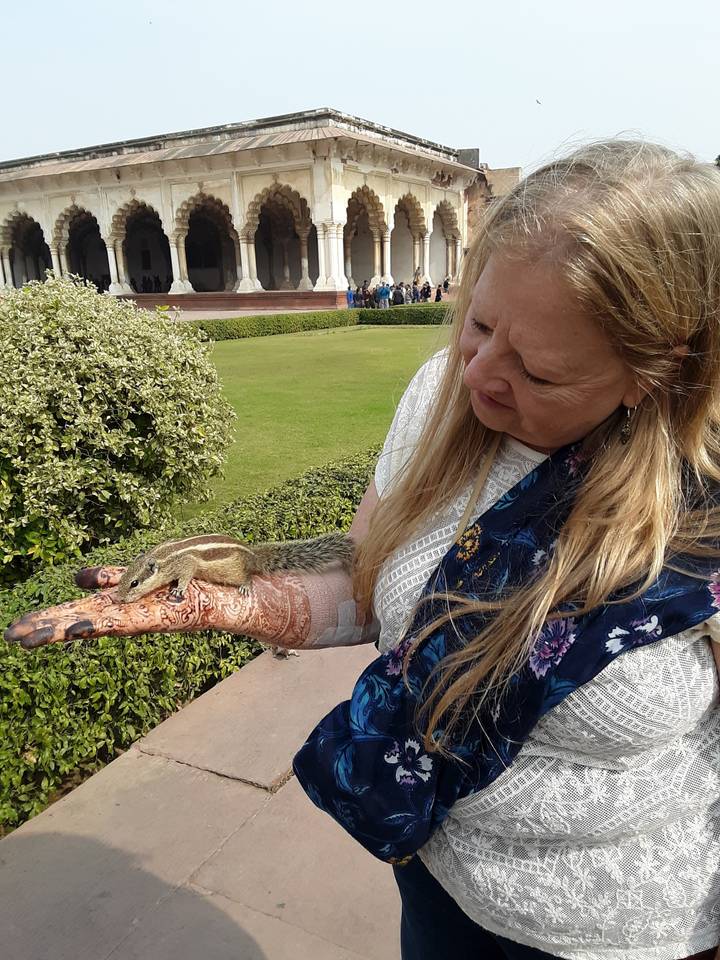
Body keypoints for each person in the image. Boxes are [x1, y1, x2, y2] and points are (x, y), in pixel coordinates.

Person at [7, 139, 720, 960]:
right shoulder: (436, 397)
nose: (481, 371)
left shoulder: (699, 498)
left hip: (625, 930)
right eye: (479, 324)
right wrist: (235, 602)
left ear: (654, 371)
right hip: (438, 877)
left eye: (538, 371)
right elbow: (369, 580)